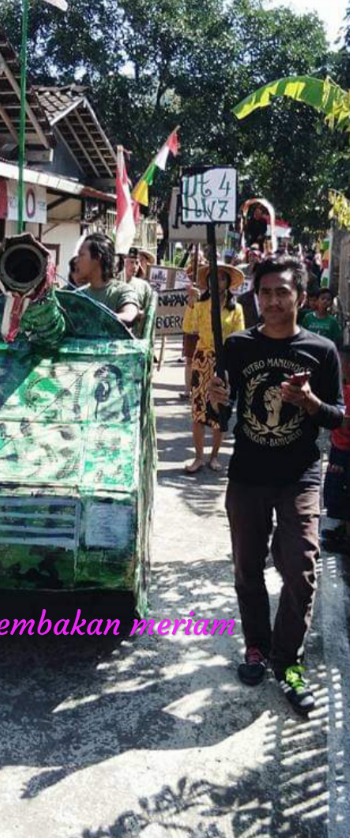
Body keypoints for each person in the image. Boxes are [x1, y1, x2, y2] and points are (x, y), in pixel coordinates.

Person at [208, 257, 344, 715]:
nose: (271, 300)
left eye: (281, 292)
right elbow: (221, 418)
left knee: (302, 570)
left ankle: (288, 663)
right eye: (264, 293)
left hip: (299, 475)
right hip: (247, 475)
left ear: (300, 298)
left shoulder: (322, 350)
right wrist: (216, 402)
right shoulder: (238, 346)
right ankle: (256, 646)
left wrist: (310, 403)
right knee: (247, 569)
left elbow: (339, 415)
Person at [185, 262, 245, 474]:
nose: (216, 282)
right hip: (202, 361)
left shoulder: (236, 309)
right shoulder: (201, 305)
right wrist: (191, 303)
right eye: (213, 277)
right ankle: (199, 457)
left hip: (224, 363)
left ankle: (214, 456)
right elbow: (189, 328)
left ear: (227, 282)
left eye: (221, 278)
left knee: (220, 412)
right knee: (198, 411)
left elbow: (240, 337)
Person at [321, 345, 350, 556]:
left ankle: (347, 539)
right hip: (338, 447)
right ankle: (342, 529)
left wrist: (332, 417)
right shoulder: (342, 388)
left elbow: (344, 421)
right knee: (334, 491)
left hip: (346, 451)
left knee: (343, 492)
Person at [76, 233, 139, 326]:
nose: (77, 260)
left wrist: (97, 318)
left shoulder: (122, 291)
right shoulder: (78, 295)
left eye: (81, 255)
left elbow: (129, 316)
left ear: (97, 258)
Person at [124, 247, 153, 311]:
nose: (134, 266)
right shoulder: (115, 284)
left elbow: (149, 310)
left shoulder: (144, 286)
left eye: (137, 263)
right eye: (131, 262)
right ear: (124, 262)